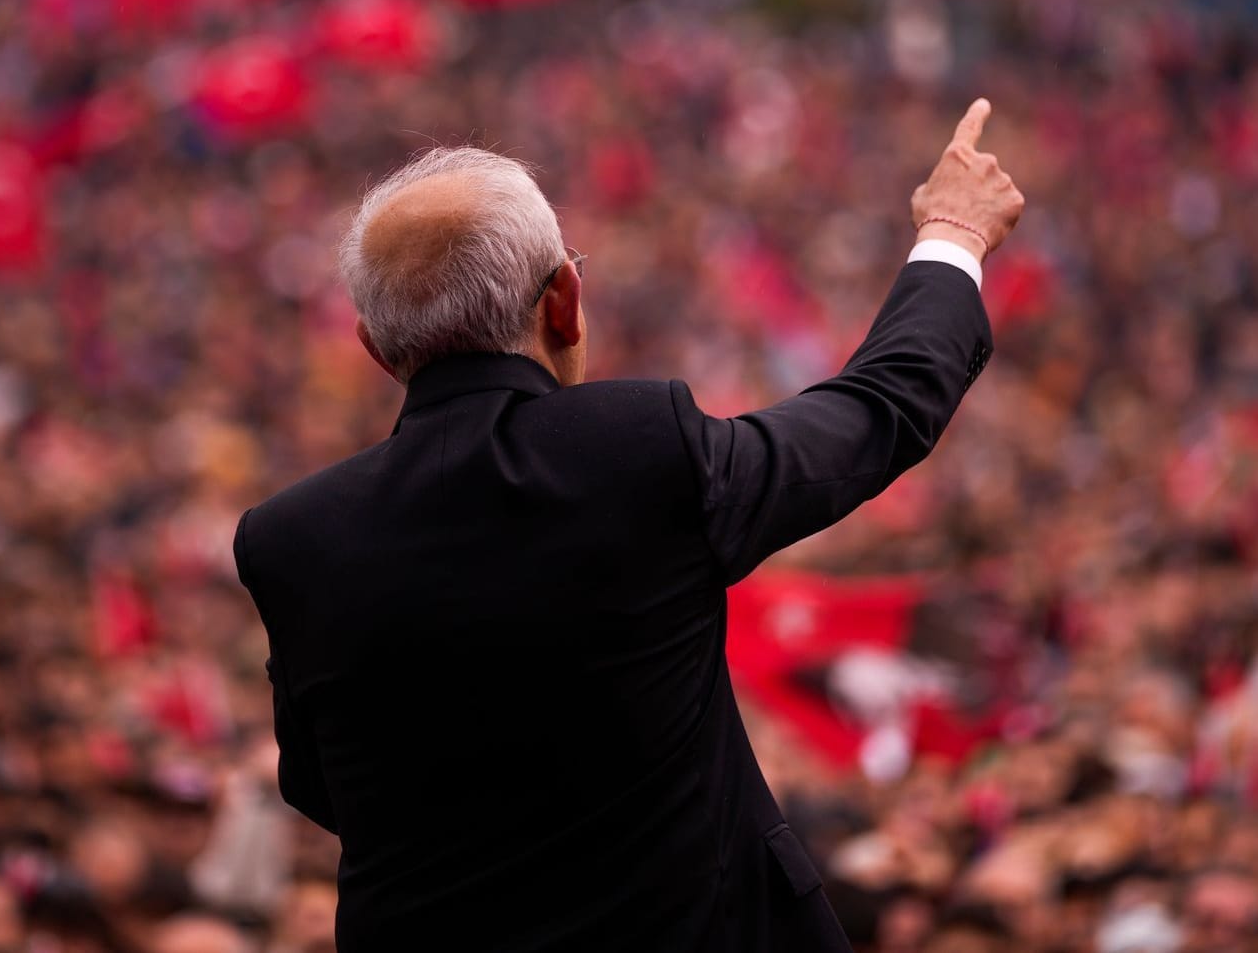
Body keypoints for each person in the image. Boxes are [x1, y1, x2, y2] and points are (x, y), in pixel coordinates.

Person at [233, 99, 1024, 951]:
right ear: (565, 300)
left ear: (375, 348)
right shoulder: (633, 449)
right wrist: (953, 231)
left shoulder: (290, 538)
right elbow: (875, 410)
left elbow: (319, 783)